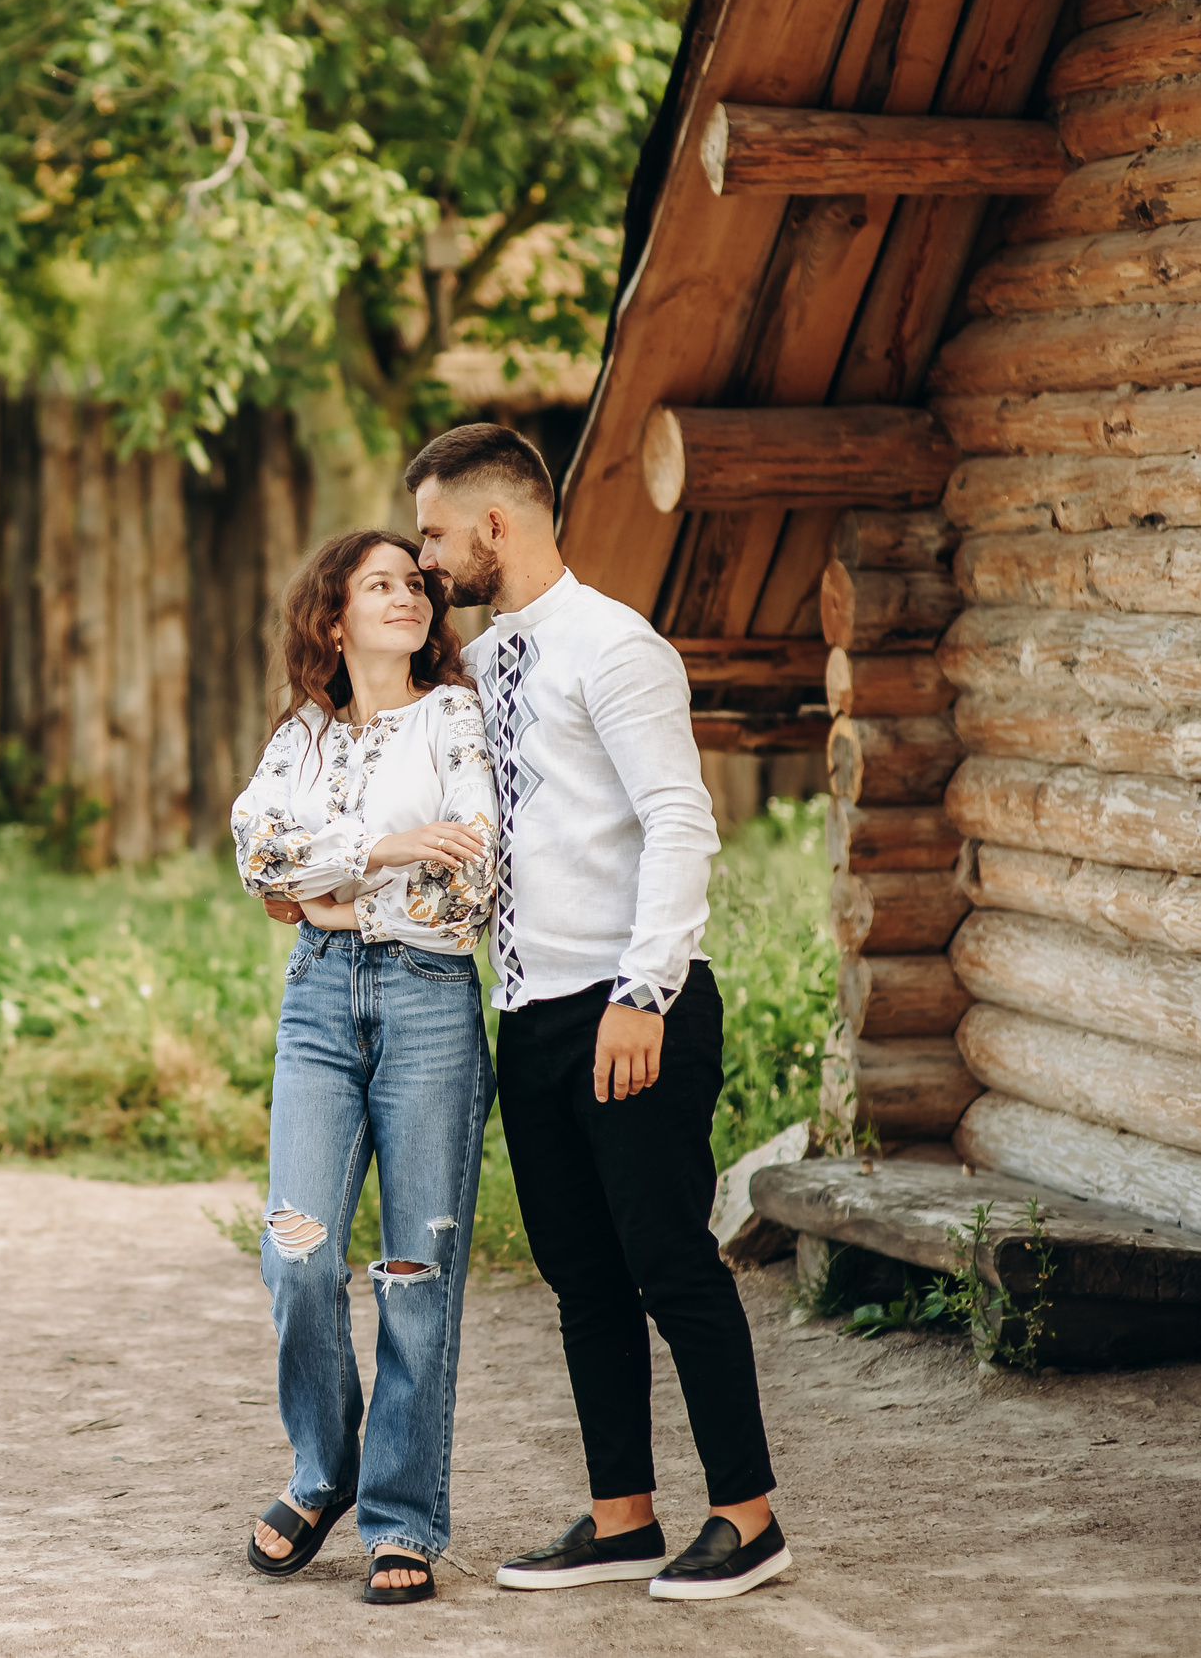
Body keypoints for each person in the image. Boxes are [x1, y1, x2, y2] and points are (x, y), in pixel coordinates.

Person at [408, 423, 791, 1602]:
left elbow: (680, 820)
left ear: (493, 524)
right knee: (580, 1276)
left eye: (431, 532)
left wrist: (643, 993)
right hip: (528, 1012)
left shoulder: (616, 647)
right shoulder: (475, 667)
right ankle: (622, 1513)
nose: (424, 558)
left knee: (671, 1261)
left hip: (631, 1007)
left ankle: (749, 1515)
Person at [229, 528, 500, 1607]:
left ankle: (399, 1514)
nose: (406, 596)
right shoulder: (299, 733)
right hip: (317, 1000)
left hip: (429, 1001)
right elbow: (255, 854)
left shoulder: (455, 720)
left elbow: (464, 883)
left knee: (413, 1276)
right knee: (296, 1253)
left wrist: (324, 877)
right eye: (378, 584)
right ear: (333, 620)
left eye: (414, 584)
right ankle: (321, 1467)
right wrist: (384, 850)